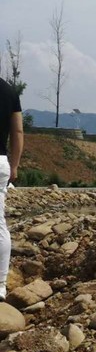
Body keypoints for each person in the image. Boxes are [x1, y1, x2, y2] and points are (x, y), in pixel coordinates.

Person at [0, 78, 24, 300]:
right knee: (0, 224)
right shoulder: (9, 91)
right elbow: (17, 133)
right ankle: (0, 285)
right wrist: (14, 165)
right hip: (0, 162)